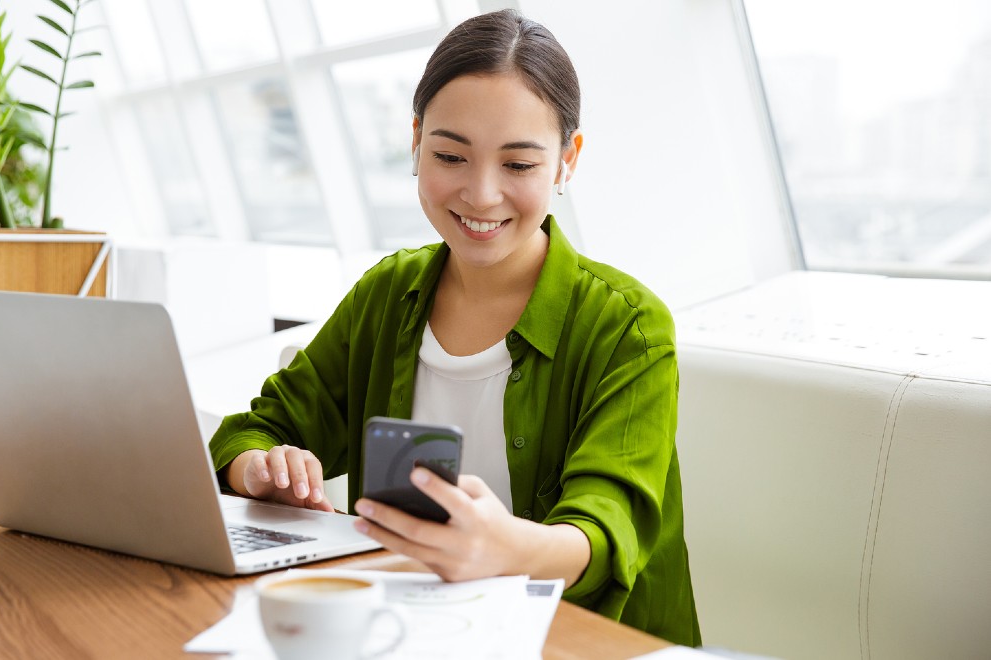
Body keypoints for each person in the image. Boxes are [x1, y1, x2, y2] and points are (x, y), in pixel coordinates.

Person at [209, 9, 701, 646]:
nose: (480, 194)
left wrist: (500, 547)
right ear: (415, 141)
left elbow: (604, 532)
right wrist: (263, 470)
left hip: (578, 642)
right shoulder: (387, 294)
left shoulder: (627, 326)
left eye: (519, 165)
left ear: (567, 161)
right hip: (403, 631)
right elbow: (255, 431)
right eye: (450, 155)